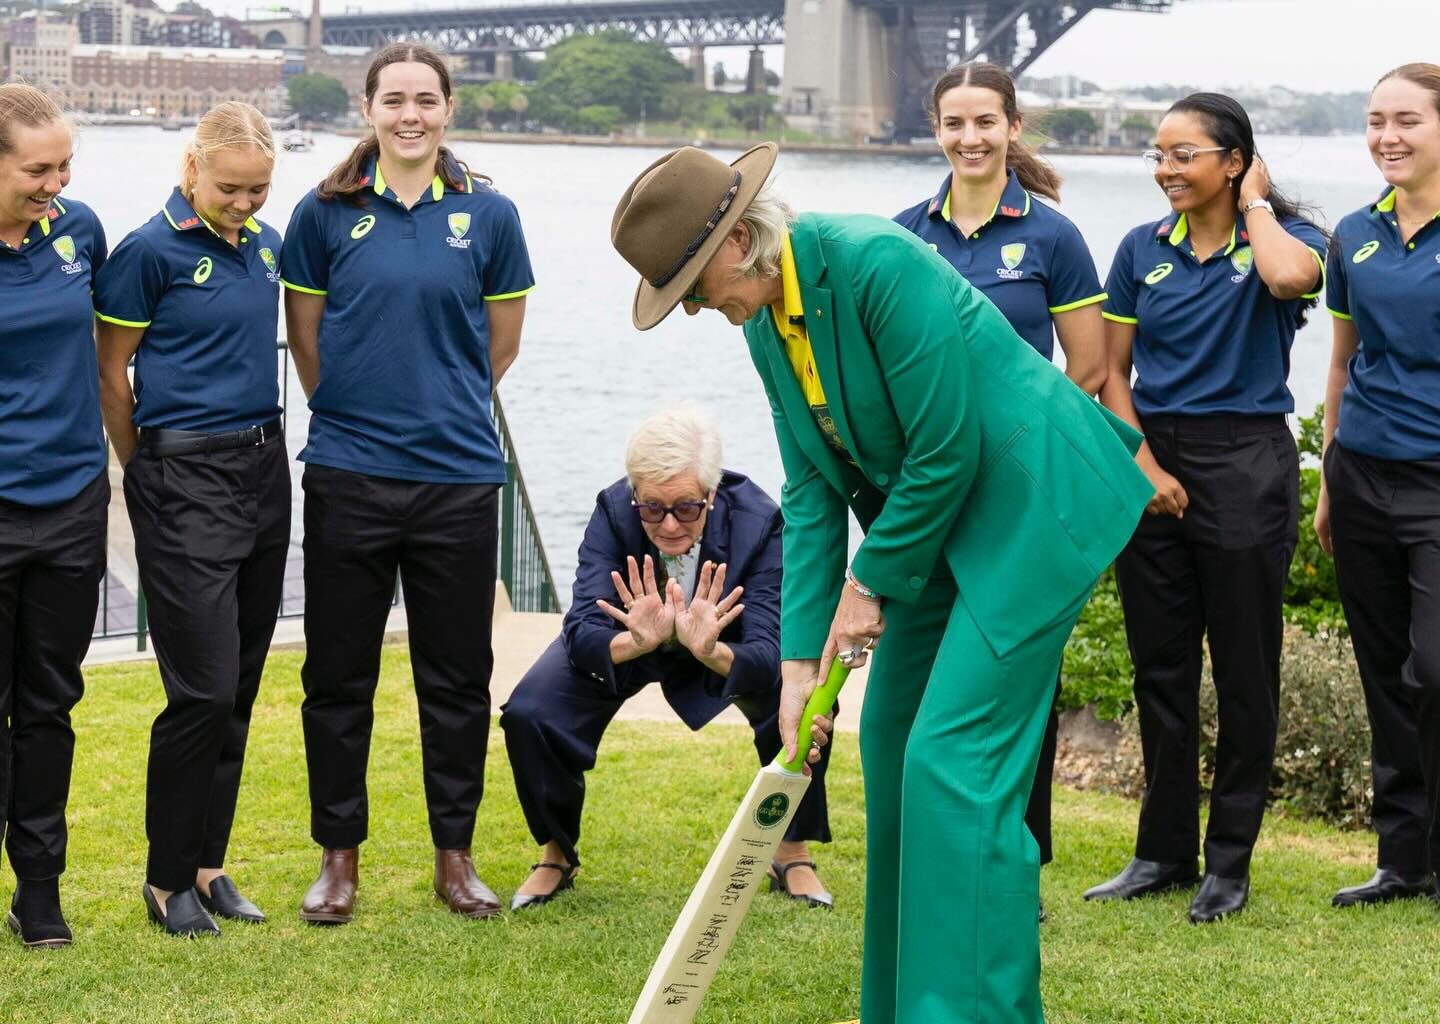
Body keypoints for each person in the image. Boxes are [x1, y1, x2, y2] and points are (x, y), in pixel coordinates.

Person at [610, 143, 1153, 1024]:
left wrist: (866, 588)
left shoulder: (874, 260)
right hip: (935, 531)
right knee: (895, 750)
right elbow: (814, 488)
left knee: (954, 766)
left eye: (698, 289)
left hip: (1030, 509)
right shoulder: (764, 324)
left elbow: (945, 448)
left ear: (741, 238)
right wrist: (795, 667)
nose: (704, 310)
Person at [280, 42, 534, 924]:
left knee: (457, 678)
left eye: (426, 99)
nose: (411, 114)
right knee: (337, 677)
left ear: (450, 108)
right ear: (370, 108)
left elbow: (499, 346)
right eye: (395, 100)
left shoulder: (490, 215)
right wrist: (354, 416)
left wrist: (439, 408)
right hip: (349, 476)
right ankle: (337, 859)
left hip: (459, 480)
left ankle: (454, 859)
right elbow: (307, 341)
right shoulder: (323, 213)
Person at [1084, 94, 1326, 923]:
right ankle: (1161, 853)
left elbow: (1292, 280)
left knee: (1247, 671)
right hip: (1152, 459)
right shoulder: (1137, 250)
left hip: (1247, 458)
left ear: (1233, 161)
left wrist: (1256, 203)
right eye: (1158, 154)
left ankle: (1230, 862)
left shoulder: (1285, 242)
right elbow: (1111, 372)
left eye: (1184, 154)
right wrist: (1143, 464)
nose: (1165, 169)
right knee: (1162, 669)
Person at [893, 63, 1108, 914]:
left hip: (1017, 496)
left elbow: (1087, 368)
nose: (970, 138)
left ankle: (1018, 854)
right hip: (931, 488)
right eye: (954, 123)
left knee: (1021, 678)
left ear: (1013, 127)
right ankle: (939, 851)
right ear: (936, 130)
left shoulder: (1052, 236)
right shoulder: (906, 233)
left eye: (987, 122)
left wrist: (1021, 449)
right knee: (933, 674)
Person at [501, 404, 834, 911]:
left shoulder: (761, 521)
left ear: (712, 493)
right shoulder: (613, 511)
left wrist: (711, 649)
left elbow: (771, 651)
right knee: (531, 713)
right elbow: (582, 629)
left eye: (686, 507)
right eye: (652, 508)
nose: (670, 524)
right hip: (633, 636)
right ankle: (556, 851)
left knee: (806, 704)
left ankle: (790, 848)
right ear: (634, 494)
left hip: (726, 641)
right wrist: (634, 642)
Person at [94, 102, 288, 937]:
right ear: (192, 168)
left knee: (239, 683)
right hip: (182, 473)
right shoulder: (147, 252)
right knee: (200, 689)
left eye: (259, 188)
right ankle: (164, 878)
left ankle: (210, 867)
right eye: (231, 188)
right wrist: (146, 470)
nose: (245, 203)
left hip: (264, 465)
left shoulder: (269, 245)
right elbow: (110, 375)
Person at [1316, 63, 1440, 909]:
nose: (1386, 137)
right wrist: (1328, 474)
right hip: (1361, 474)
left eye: (1407, 121)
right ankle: (1403, 860)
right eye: (1374, 121)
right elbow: (1342, 357)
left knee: (1433, 665)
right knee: (1386, 673)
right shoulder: (1354, 233)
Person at [0, 84, 109, 950]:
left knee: (50, 704)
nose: (57, 182)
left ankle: (39, 887)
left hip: (72, 504)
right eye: (39, 169)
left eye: (65, 165)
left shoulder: (80, 233)